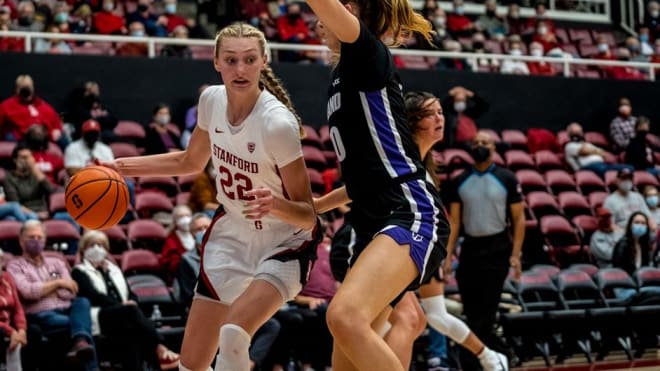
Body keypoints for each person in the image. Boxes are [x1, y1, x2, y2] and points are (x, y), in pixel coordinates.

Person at [99, 23, 319, 371]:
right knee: (192, 364)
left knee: (233, 334)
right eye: (230, 60)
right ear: (215, 61)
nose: (240, 69)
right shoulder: (211, 100)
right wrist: (120, 167)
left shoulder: (277, 124)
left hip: (284, 241)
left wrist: (275, 204)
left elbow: (308, 215)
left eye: (249, 59)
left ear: (265, 60)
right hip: (232, 232)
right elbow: (189, 161)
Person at [305, 1, 449, 370]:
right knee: (345, 360)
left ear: (349, 10)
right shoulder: (344, 77)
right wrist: (313, 207)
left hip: (408, 210)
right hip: (373, 218)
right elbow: (364, 176)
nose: (317, 21)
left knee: (343, 316)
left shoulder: (366, 53)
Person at [405, 92, 509, 371]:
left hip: (421, 250)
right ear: (413, 121)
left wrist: (442, 255)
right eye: (432, 113)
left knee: (428, 317)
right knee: (404, 319)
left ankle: (489, 357)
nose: (440, 118)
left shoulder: (427, 164)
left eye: (441, 112)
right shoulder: (401, 158)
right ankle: (488, 357)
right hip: (394, 247)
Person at [445, 130, 524, 369]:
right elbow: (455, 222)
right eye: (476, 142)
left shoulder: (507, 178)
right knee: (472, 312)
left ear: (494, 148)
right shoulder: (460, 180)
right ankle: (498, 357)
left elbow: (518, 220)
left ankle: (488, 359)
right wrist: (447, 256)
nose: (480, 145)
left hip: (498, 248)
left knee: (487, 314)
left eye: (485, 142)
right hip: (470, 248)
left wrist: (515, 255)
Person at [71, 230, 179, 370]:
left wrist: (132, 301)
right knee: (130, 312)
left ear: (106, 249)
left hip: (124, 316)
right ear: (83, 249)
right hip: (99, 315)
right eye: (91, 245)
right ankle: (160, 347)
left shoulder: (114, 269)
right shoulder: (79, 271)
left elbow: (130, 293)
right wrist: (122, 305)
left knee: (131, 337)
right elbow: (94, 296)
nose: (96, 249)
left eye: (100, 245)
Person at [6, 220, 98, 370]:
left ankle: (80, 341)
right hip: (41, 315)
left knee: (82, 301)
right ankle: (90, 363)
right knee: (81, 325)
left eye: (39, 237)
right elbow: (28, 292)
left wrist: (47, 288)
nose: (36, 241)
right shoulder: (15, 266)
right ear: (21, 241)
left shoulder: (56, 262)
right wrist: (57, 283)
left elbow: (70, 291)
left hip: (67, 309)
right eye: (31, 237)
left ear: (45, 240)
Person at [0, 75, 63, 144]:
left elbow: (56, 120)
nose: (26, 91)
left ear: (32, 88)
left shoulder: (42, 105)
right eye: (23, 88)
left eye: (28, 87)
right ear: (17, 90)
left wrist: (57, 130)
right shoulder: (6, 106)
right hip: (21, 139)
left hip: (45, 137)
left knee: (64, 139)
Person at [611, 212, 656, 301]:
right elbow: (619, 271)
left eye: (643, 223)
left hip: (640, 285)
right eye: (637, 222)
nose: (640, 225)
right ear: (630, 225)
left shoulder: (644, 246)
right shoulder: (622, 244)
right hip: (624, 286)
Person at [3, 143, 55, 220]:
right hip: (24, 213)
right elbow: (15, 205)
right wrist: (35, 215)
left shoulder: (37, 173)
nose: (27, 160)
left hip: (43, 211)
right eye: (24, 157)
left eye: (30, 156)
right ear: (15, 160)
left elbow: (51, 191)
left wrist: (36, 170)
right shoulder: (9, 178)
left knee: (68, 217)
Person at [563, 122, 633, 178]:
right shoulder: (569, 146)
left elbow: (603, 152)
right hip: (586, 168)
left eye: (580, 131)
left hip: (603, 165)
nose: (581, 133)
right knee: (603, 170)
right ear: (571, 135)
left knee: (629, 167)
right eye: (577, 133)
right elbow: (584, 151)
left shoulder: (588, 144)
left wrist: (593, 151)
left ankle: (621, 177)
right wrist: (595, 151)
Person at [176, 213, 212, 310]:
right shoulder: (186, 260)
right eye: (198, 229)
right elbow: (189, 295)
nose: (203, 231)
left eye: (206, 227)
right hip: (202, 308)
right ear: (192, 234)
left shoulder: (227, 254)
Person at [0, 249, 27, 371]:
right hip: (2, 328)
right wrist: (11, 332)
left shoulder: (7, 277)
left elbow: (17, 307)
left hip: (10, 324)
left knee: (35, 332)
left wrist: (21, 330)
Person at [160, 205, 194, 283]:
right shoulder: (171, 239)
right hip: (183, 276)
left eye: (187, 216)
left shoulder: (197, 234)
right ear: (175, 221)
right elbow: (171, 263)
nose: (185, 219)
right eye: (181, 217)